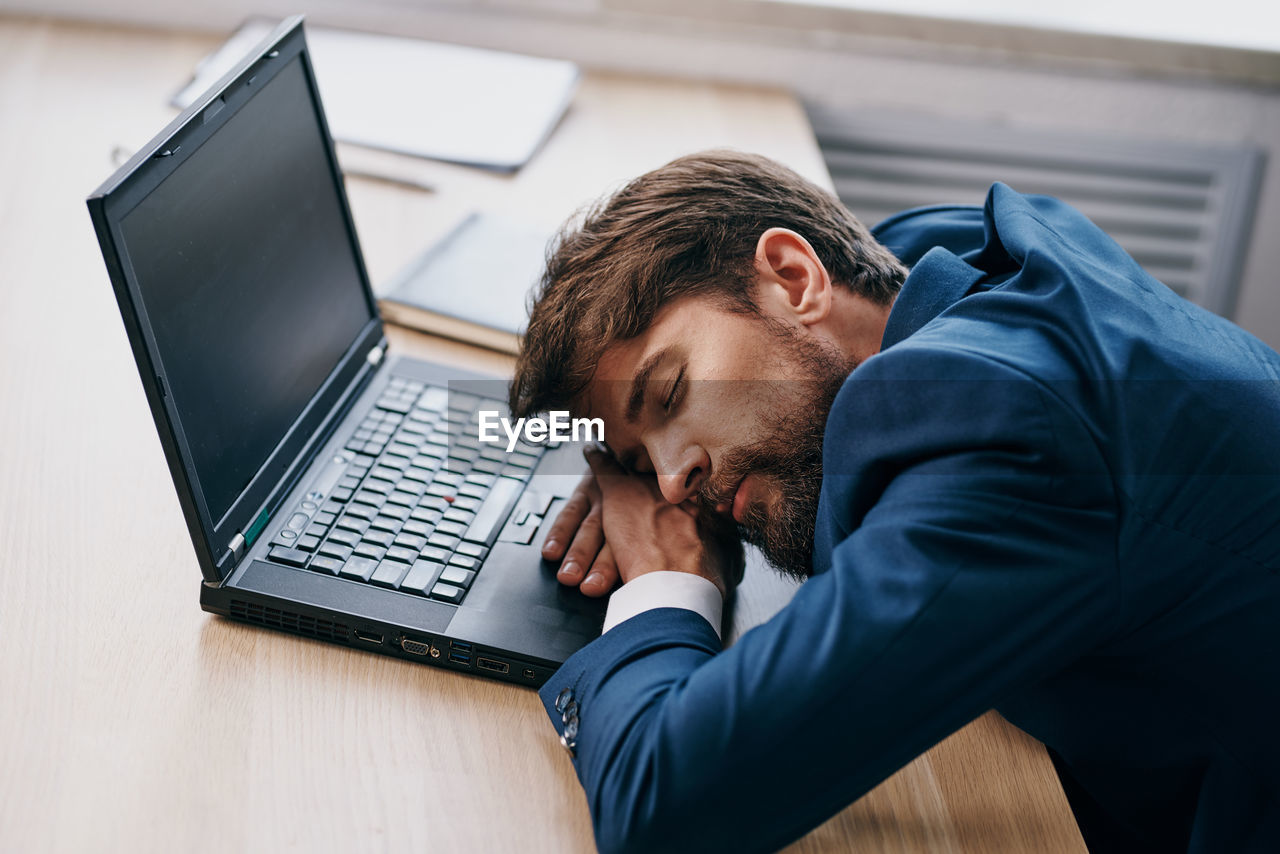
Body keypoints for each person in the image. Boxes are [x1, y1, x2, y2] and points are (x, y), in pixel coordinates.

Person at [506, 150, 1280, 853]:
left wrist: (663, 580)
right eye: (639, 462)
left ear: (796, 278)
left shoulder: (1009, 433)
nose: (672, 486)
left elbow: (662, 809)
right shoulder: (933, 271)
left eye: (670, 391)